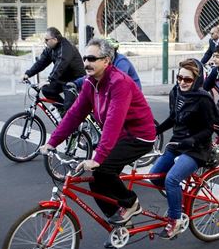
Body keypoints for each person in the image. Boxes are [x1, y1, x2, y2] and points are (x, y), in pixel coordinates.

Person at [40, 38, 156, 225]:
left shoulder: (119, 82)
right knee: (95, 180)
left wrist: (98, 157)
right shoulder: (90, 83)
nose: (86, 63)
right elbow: (74, 115)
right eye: (85, 58)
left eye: (92, 58)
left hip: (138, 136)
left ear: (106, 61)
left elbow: (113, 121)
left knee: (103, 170)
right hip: (119, 136)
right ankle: (118, 221)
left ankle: (132, 203)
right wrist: (52, 142)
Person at [150, 58, 217, 239]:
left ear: (196, 80)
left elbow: (209, 129)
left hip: (197, 148)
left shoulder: (203, 99)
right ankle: (177, 201)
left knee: (171, 180)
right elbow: (174, 118)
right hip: (177, 143)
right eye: (179, 78)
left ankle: (175, 220)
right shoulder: (176, 93)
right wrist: (157, 131)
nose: (182, 82)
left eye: (187, 80)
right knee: (154, 177)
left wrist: (192, 140)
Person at [23, 27, 85, 114]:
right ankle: (62, 110)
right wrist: (28, 74)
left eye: (46, 39)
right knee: (46, 90)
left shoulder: (66, 48)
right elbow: (41, 62)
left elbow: (60, 65)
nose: (45, 42)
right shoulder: (50, 49)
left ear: (55, 39)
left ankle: (72, 122)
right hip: (61, 79)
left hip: (74, 80)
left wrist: (49, 80)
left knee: (68, 105)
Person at [74, 37, 142, 90]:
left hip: (129, 93)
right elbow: (91, 77)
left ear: (114, 50)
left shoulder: (122, 61)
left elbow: (118, 80)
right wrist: (76, 83)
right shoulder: (104, 61)